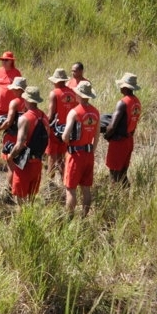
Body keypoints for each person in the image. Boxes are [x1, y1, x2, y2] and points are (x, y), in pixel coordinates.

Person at [62, 81, 100, 217]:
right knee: (86, 188)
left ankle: (69, 219)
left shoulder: (74, 112)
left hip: (75, 154)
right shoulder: (96, 112)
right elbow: (96, 136)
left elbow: (65, 136)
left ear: (78, 95)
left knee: (70, 188)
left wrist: (66, 140)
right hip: (89, 153)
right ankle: (84, 216)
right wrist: (91, 150)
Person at [6, 86, 49, 202]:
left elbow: (20, 144)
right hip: (38, 162)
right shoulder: (44, 116)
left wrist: (11, 156)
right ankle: (31, 219)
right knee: (32, 199)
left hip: (24, 164)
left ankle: (23, 220)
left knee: (20, 199)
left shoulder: (25, 118)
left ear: (27, 100)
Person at [104, 73, 142, 186]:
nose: (120, 87)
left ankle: (115, 198)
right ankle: (127, 197)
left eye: (121, 85)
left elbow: (112, 126)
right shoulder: (137, 102)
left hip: (119, 142)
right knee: (123, 173)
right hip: (129, 139)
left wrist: (107, 136)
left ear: (125, 87)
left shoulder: (123, 103)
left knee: (114, 173)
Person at [0, 76, 27, 190]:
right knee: (20, 166)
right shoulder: (29, 102)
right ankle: (19, 189)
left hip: (13, 137)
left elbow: (8, 122)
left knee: (11, 166)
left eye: (14, 88)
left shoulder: (14, 102)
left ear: (18, 89)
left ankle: (9, 191)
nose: (12, 90)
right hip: (25, 138)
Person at [46, 68, 78, 182]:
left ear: (56, 81)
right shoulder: (73, 93)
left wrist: (44, 125)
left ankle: (50, 184)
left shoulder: (54, 93)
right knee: (62, 158)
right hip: (67, 130)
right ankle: (66, 181)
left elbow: (50, 115)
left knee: (52, 157)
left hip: (55, 130)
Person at [0, 51, 22, 142]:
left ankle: (6, 148)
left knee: (10, 129)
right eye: (2, 60)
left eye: (6, 60)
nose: (3, 62)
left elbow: (20, 90)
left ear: (11, 61)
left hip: (10, 108)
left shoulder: (16, 73)